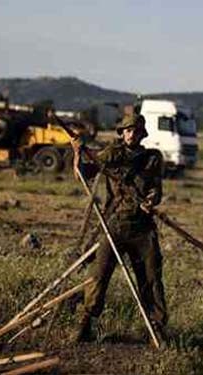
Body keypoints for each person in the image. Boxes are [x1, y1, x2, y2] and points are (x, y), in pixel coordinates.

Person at [70, 113, 167, 344]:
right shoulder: (111, 154)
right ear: (122, 133)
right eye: (128, 130)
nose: (132, 134)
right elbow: (83, 173)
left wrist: (152, 200)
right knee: (98, 276)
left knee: (152, 278)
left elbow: (157, 190)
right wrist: (77, 152)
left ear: (142, 133)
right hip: (113, 224)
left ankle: (157, 330)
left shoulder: (152, 158)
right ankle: (85, 326)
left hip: (143, 228)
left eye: (136, 130)